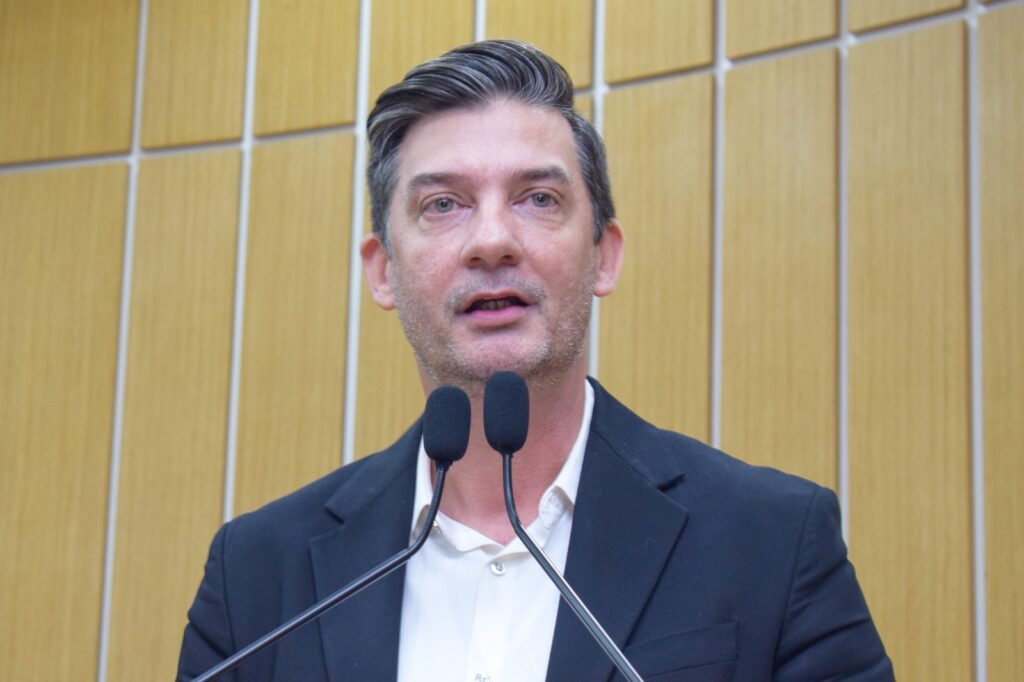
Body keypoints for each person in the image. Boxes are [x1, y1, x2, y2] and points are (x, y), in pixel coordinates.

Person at [178, 40, 893, 681]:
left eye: (538, 198)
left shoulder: (773, 543)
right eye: (444, 205)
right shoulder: (257, 579)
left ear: (603, 255)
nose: (492, 241)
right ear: (383, 271)